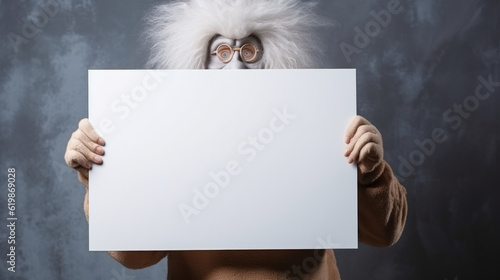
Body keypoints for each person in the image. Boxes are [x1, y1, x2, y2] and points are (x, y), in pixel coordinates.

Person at [64, 0, 407, 279]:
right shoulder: (166, 140)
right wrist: (98, 175)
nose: (236, 70)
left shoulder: (322, 128)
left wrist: (371, 173)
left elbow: (384, 233)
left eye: (249, 54)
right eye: (223, 54)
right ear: (200, 62)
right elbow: (134, 255)